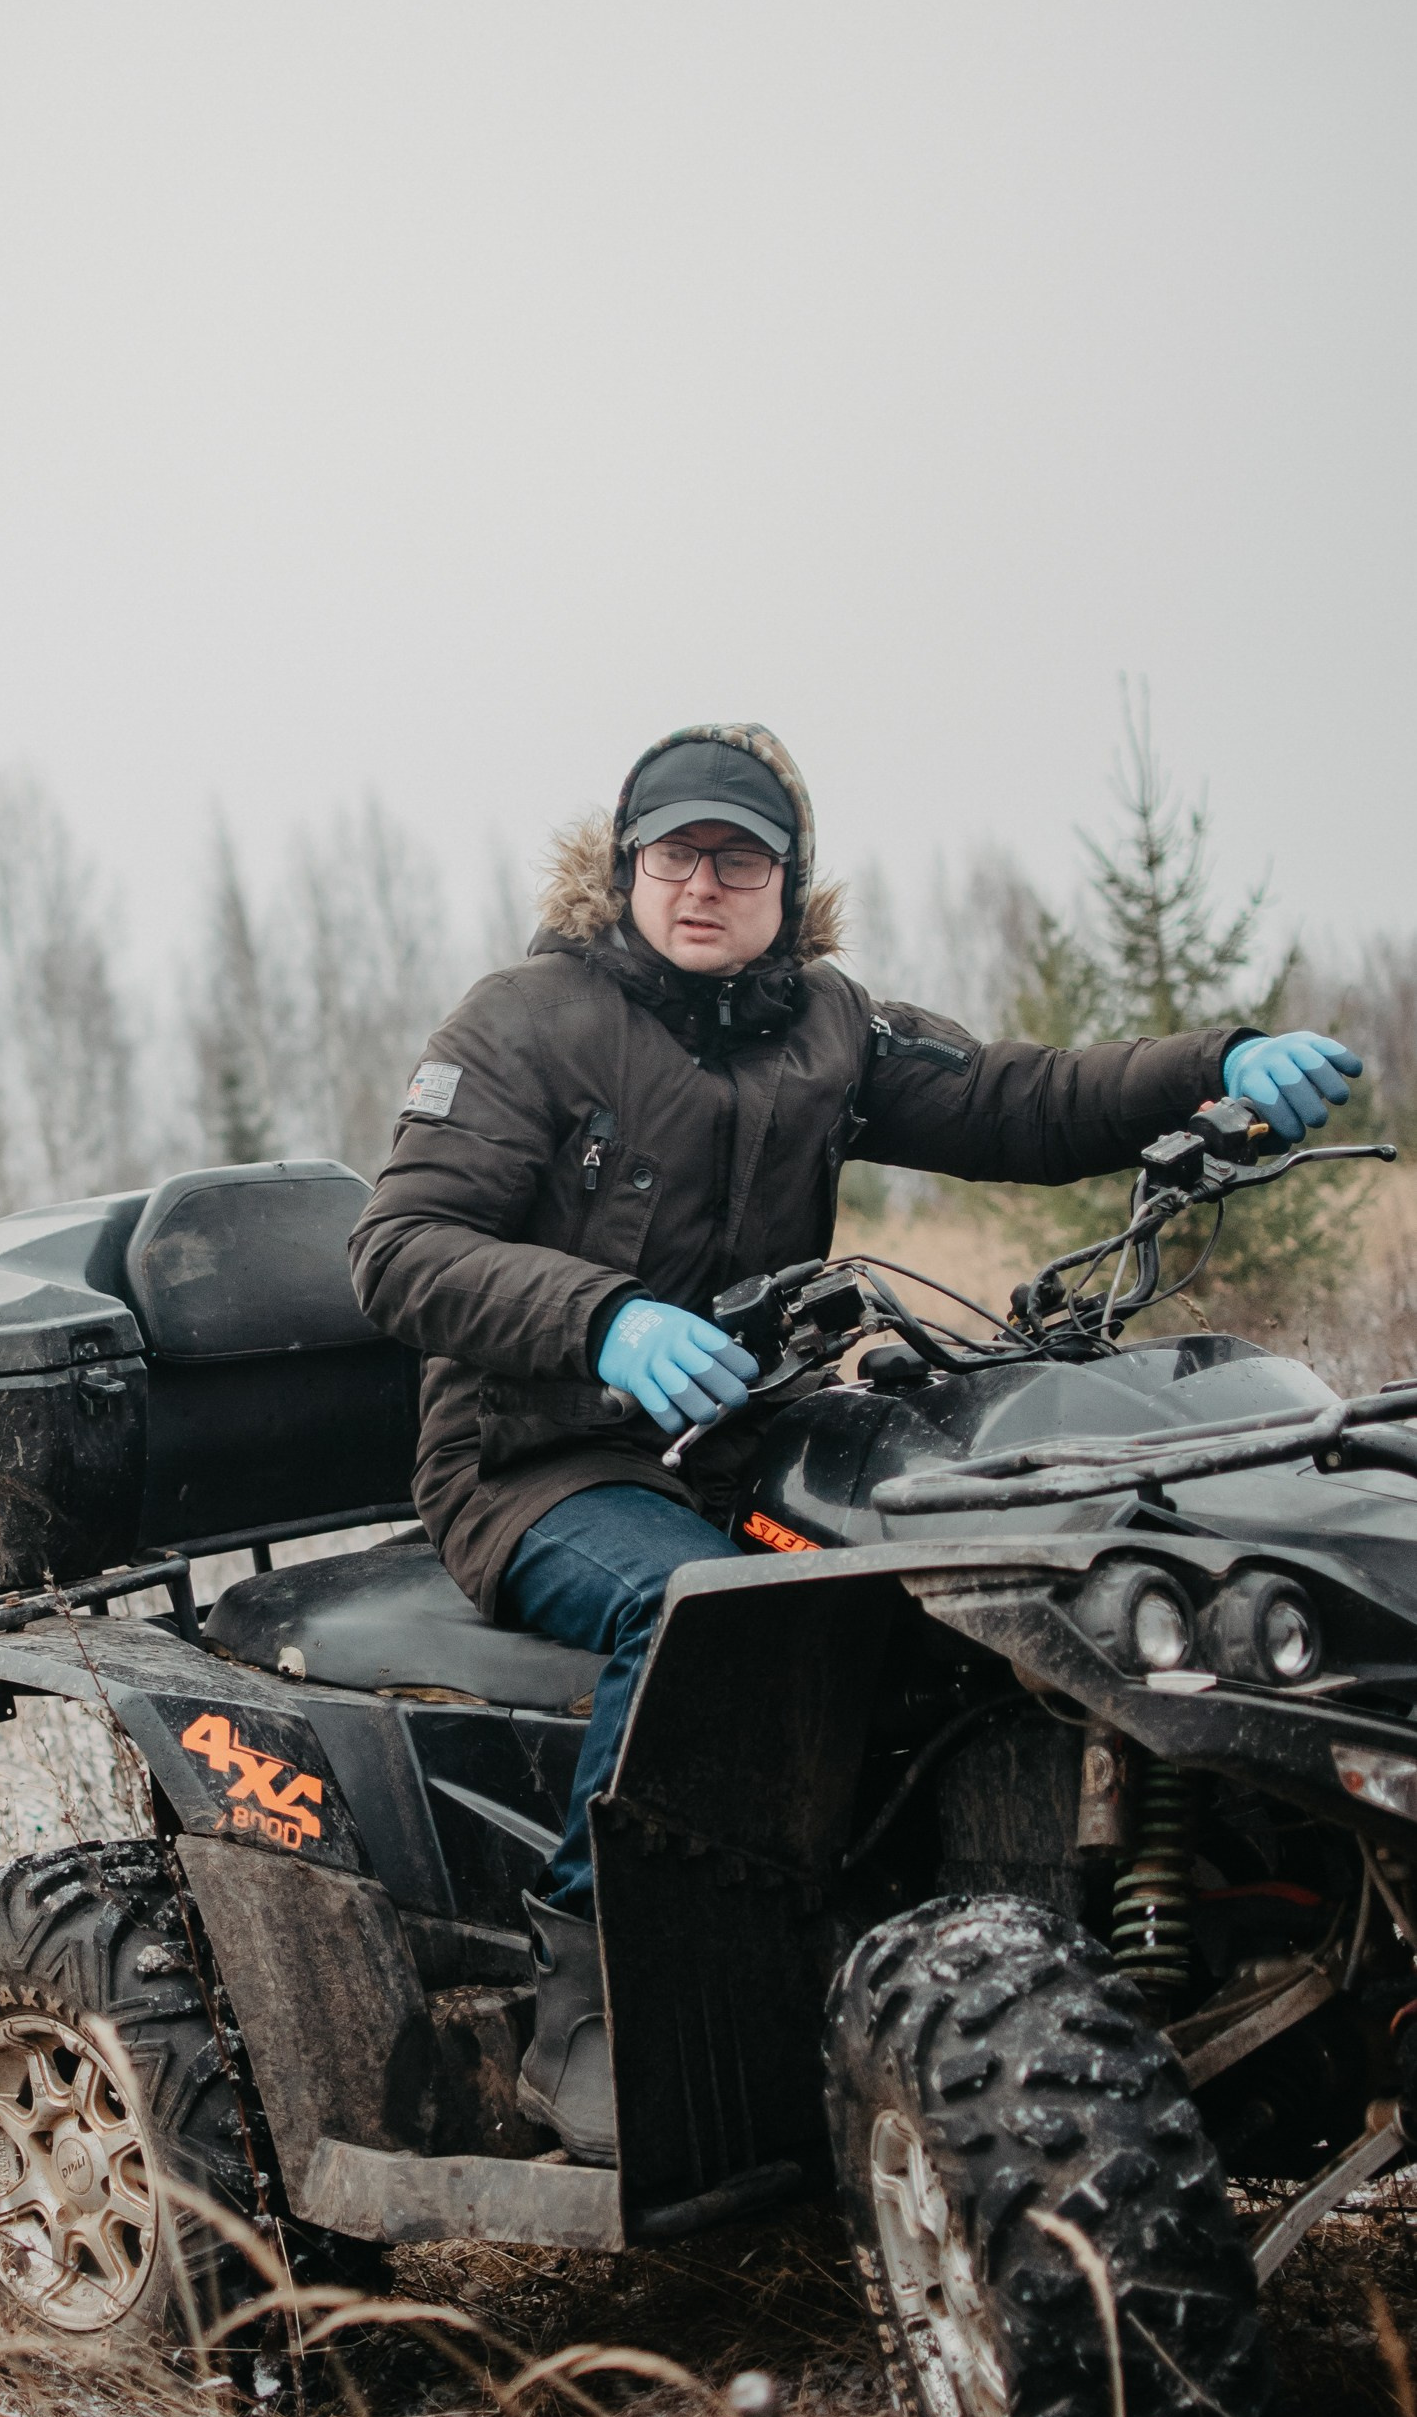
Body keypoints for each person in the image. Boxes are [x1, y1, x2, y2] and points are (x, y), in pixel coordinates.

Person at [348, 721, 1362, 2165]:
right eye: (674, 854)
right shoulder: (522, 1022)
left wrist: (1220, 1060)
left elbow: (1018, 1099)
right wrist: (605, 1321)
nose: (702, 885)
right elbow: (396, 1249)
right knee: (694, 1612)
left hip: (747, 1433)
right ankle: (596, 1996)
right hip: (538, 1457)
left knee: (961, 1573)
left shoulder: (824, 1024)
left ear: (788, 877)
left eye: (738, 858)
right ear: (625, 867)